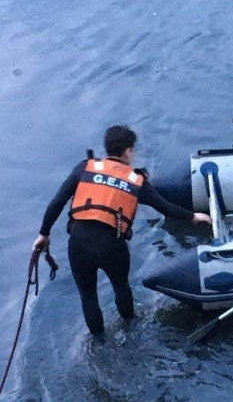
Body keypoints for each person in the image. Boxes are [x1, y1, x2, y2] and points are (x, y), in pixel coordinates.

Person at [32, 125, 211, 335]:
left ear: (107, 149)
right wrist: (193, 216)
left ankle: (98, 340)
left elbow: (57, 203)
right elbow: (164, 207)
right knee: (121, 287)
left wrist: (44, 234)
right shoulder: (135, 180)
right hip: (112, 246)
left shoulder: (85, 168)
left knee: (88, 296)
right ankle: (129, 326)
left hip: (79, 245)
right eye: (133, 151)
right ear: (127, 151)